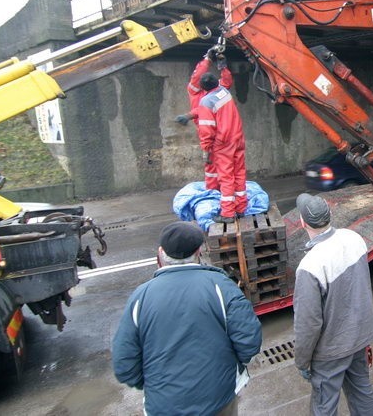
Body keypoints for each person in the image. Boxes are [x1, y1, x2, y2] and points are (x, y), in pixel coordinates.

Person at [112, 221, 262, 416]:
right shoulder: (220, 287)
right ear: (199, 252)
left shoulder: (140, 298)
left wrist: (155, 385)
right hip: (218, 398)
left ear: (160, 253)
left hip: (163, 406)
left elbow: (124, 364)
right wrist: (229, 368)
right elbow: (249, 341)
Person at [292, 193, 373, 415]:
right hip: (359, 338)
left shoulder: (310, 265)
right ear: (330, 215)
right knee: (362, 390)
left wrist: (302, 361)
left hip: (331, 350)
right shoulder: (354, 238)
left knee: (324, 405)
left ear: (303, 222)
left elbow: (308, 323)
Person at [175, 46, 233, 191]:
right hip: (213, 131)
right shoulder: (199, 91)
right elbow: (200, 77)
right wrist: (208, 60)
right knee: (214, 163)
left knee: (216, 163)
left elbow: (226, 82)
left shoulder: (209, 91)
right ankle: (217, 191)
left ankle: (219, 191)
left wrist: (222, 66)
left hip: (217, 132)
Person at [195, 71, 247, 223]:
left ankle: (228, 213)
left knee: (226, 178)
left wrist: (206, 150)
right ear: (216, 83)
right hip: (237, 138)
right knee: (239, 173)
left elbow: (206, 130)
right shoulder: (224, 91)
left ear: (203, 87)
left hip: (223, 144)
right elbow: (227, 79)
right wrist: (223, 67)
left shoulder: (206, 102)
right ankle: (241, 208)